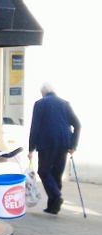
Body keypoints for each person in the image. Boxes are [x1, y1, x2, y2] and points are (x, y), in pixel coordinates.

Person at [28, 82, 81, 215]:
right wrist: (73, 145)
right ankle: (53, 207)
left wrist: (31, 148)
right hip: (64, 143)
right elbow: (77, 125)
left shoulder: (40, 104)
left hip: (46, 143)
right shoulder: (65, 103)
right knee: (56, 174)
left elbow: (35, 127)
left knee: (44, 171)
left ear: (43, 92)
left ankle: (56, 196)